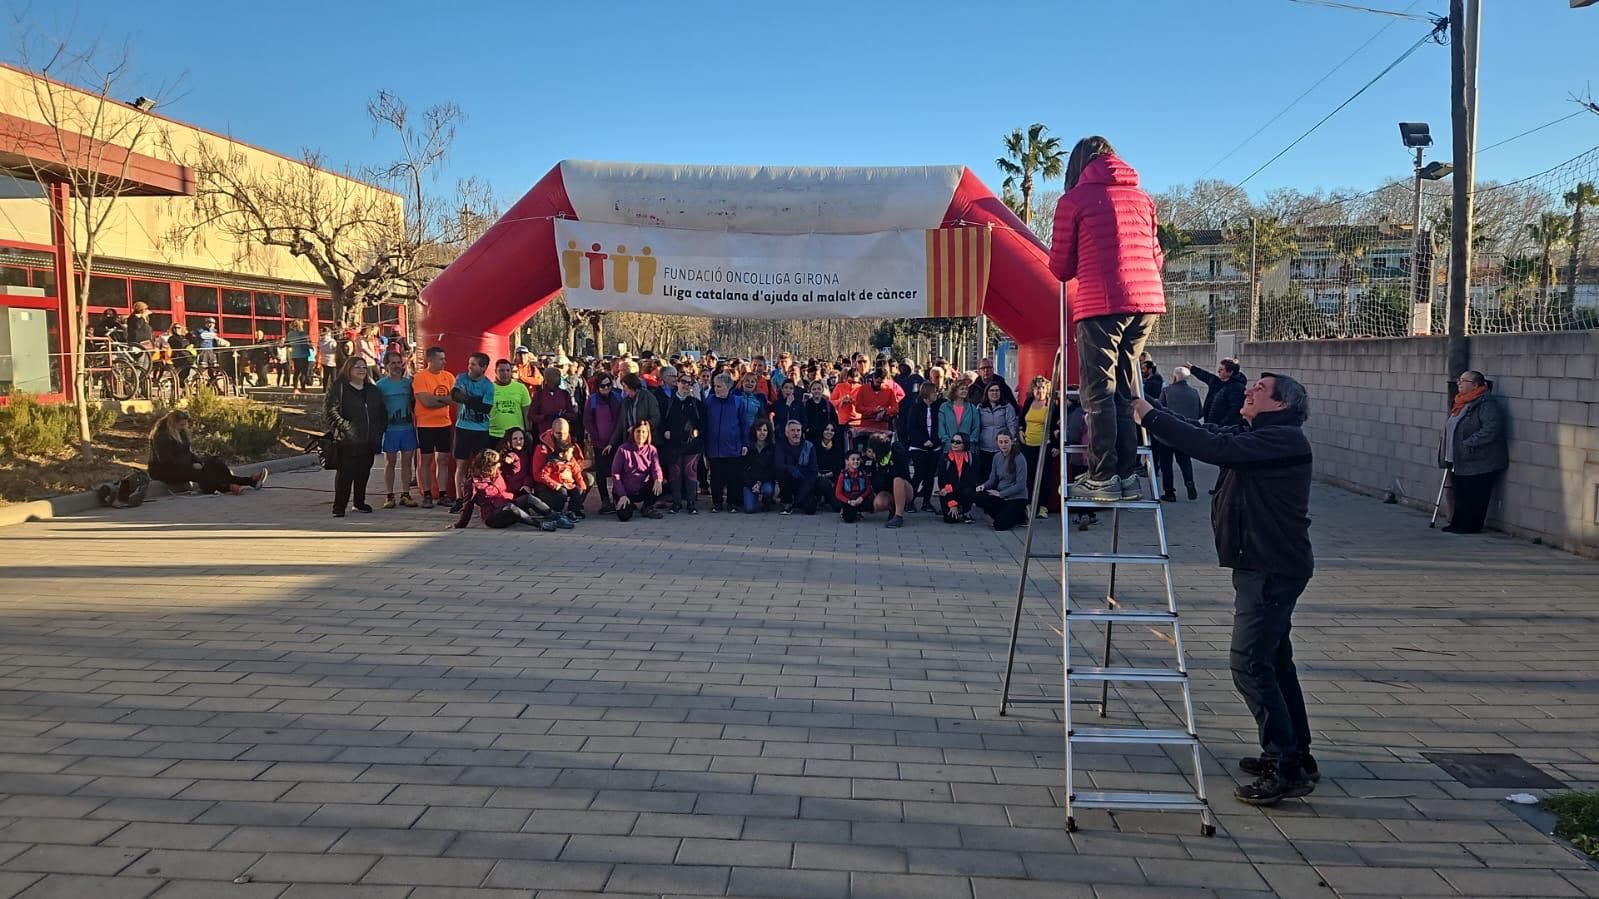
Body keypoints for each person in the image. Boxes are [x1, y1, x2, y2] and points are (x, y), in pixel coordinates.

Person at [1135, 371, 1316, 806]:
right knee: (1274, 661)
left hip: (1272, 568)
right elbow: (1208, 431)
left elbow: (1214, 448)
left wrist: (1150, 418)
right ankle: (1297, 754)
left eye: (1261, 388)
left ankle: (1283, 766)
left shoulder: (1283, 440)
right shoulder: (1258, 432)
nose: (1250, 390)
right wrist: (1156, 411)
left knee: (1250, 663)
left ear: (1281, 405)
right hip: (1260, 564)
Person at [1048, 136, 1167, 504]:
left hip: (1101, 302)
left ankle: (1101, 476)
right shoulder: (1143, 198)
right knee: (1126, 386)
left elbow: (1060, 266)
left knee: (1098, 389)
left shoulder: (1074, 200)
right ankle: (1128, 474)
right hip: (1146, 300)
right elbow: (1156, 256)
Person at [1440, 370, 1507, 534]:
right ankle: (1457, 522)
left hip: (1479, 459)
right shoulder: (1461, 402)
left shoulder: (1486, 403)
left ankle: (1470, 525)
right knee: (1461, 492)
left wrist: (1469, 443)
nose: (1459, 384)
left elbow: (1492, 428)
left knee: (1475, 494)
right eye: (1459, 380)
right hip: (1459, 458)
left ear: (1475, 385)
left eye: (1463, 381)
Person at [148, 409, 266, 495]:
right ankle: (226, 487)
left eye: (185, 424)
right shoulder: (162, 436)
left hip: (181, 464)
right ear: (172, 424)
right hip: (164, 470)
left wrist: (198, 461)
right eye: (181, 425)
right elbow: (166, 459)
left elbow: (186, 452)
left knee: (214, 463)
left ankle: (250, 481)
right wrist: (191, 465)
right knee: (200, 473)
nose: (183, 427)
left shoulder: (181, 433)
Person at [325, 357, 386, 517]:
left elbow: (381, 412)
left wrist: (379, 430)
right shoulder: (340, 387)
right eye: (357, 367)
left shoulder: (372, 390)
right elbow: (331, 411)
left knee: (363, 472)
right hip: (349, 440)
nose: (361, 370)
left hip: (369, 439)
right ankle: (339, 507)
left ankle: (359, 502)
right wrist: (346, 427)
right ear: (349, 369)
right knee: (346, 474)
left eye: (364, 367)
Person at [452, 448, 559, 532]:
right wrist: (460, 524)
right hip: (494, 516)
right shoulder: (472, 483)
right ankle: (540, 525)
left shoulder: (496, 473)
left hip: (508, 503)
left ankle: (556, 517)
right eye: (496, 463)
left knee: (528, 498)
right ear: (487, 466)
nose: (499, 465)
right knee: (510, 507)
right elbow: (467, 506)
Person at [450, 352, 498, 513]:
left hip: (481, 430)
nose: (469, 367)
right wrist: (474, 400)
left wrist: (467, 399)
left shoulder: (488, 386)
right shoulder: (461, 378)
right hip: (462, 428)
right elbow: (455, 395)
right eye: (469, 363)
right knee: (461, 465)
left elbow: (485, 408)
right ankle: (459, 499)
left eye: (474, 364)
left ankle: (482, 497)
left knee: (480, 466)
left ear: (483, 367)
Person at [500, 427, 573, 528]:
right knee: (530, 501)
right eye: (515, 439)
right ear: (509, 441)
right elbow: (509, 459)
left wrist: (526, 485)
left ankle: (556, 516)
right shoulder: (505, 457)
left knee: (531, 500)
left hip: (523, 491)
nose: (518, 441)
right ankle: (552, 518)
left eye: (521, 438)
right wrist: (507, 459)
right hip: (509, 497)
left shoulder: (527, 454)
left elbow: (530, 473)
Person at [412, 347, 454, 509]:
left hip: (444, 423)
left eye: (444, 358)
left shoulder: (448, 376)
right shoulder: (420, 377)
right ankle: (427, 494)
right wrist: (443, 400)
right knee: (426, 460)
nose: (444, 361)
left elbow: (453, 399)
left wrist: (436, 399)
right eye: (440, 359)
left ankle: (442, 494)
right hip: (426, 425)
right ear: (430, 360)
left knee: (443, 459)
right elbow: (426, 403)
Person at [376, 353, 419, 509]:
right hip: (390, 430)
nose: (396, 366)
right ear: (386, 365)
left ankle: (405, 494)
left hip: (408, 428)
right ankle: (389, 495)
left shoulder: (409, 384)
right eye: (392, 363)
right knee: (390, 462)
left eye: (398, 363)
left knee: (407, 461)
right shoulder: (380, 385)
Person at [660, 369, 704, 514]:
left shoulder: (696, 403)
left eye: (689, 383)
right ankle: (677, 502)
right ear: (677, 383)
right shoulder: (669, 402)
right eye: (683, 382)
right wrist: (665, 432)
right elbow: (661, 421)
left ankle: (691, 503)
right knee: (675, 472)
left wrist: (698, 431)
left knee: (690, 471)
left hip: (692, 445)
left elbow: (703, 422)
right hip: (673, 444)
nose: (686, 385)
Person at [1155, 366, 1202, 502]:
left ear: (1175, 377)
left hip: (1167, 434)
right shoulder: (1194, 392)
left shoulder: (1166, 391)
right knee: (1185, 461)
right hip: (1186, 433)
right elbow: (1199, 413)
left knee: (1166, 464)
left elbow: (1160, 409)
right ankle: (1189, 481)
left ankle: (1169, 492)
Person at [531, 417, 590, 520]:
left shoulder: (571, 445)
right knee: (561, 494)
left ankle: (574, 510)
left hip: (568, 481)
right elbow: (538, 474)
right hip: (550, 484)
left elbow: (577, 465)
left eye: (565, 433)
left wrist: (569, 472)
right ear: (552, 432)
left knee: (587, 480)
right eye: (558, 433)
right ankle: (555, 511)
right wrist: (555, 482)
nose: (562, 437)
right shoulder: (542, 448)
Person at [702, 373, 744, 513]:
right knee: (716, 477)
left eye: (719, 386)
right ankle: (717, 503)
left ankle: (731, 503)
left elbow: (744, 425)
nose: (716, 389)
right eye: (715, 386)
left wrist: (745, 444)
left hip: (733, 446)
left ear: (728, 387)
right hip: (714, 446)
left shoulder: (738, 401)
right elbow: (705, 422)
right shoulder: (710, 401)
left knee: (732, 477)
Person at [584, 373, 624, 514]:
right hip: (599, 443)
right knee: (601, 473)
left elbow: (621, 419)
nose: (606, 388)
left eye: (608, 385)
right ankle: (605, 500)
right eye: (603, 386)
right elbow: (587, 421)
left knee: (616, 471)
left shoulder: (618, 398)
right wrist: (596, 435)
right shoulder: (592, 400)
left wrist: (615, 439)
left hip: (616, 441)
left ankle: (617, 496)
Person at [901, 381, 943, 514]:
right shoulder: (916, 408)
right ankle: (910, 501)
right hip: (919, 446)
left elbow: (940, 426)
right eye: (933, 392)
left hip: (934, 446)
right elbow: (911, 428)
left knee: (930, 475)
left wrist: (934, 440)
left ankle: (926, 501)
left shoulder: (938, 408)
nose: (935, 394)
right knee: (919, 473)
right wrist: (923, 440)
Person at [1018, 376, 1058, 518]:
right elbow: (1021, 420)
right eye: (1037, 388)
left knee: (1044, 477)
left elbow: (1057, 427)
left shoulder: (1051, 405)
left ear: (1047, 390)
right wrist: (1021, 430)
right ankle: (1029, 504)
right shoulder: (1029, 402)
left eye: (1042, 388)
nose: (1039, 391)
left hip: (1044, 446)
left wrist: (1056, 445)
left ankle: (1042, 506)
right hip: (1028, 445)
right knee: (1029, 476)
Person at [611, 420, 665, 521]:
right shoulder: (622, 450)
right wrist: (622, 495)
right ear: (633, 433)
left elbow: (656, 468)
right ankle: (625, 504)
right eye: (638, 431)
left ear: (648, 434)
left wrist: (658, 479)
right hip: (625, 491)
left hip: (641, 489)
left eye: (644, 432)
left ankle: (647, 507)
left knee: (661, 483)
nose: (640, 435)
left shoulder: (652, 450)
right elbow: (616, 474)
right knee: (624, 516)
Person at [975, 432, 1029, 531]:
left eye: (1006, 442)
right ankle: (1003, 514)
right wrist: (983, 486)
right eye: (1000, 442)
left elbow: (1021, 485)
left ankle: (1021, 514)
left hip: (1016, 497)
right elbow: (992, 480)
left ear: (1012, 442)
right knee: (978, 495)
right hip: (1001, 496)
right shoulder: (996, 457)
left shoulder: (1019, 458)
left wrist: (1001, 494)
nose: (1003, 445)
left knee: (999, 526)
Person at [861, 432, 911, 529]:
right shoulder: (873, 462)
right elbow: (877, 485)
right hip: (888, 491)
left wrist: (886, 468)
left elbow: (902, 473)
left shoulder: (896, 452)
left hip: (905, 489)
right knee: (878, 503)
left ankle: (898, 516)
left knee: (897, 479)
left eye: (872, 451)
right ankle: (893, 508)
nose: (871, 453)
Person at [976, 382, 1019, 487]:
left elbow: (1012, 427)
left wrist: (1009, 444)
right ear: (987, 393)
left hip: (1001, 449)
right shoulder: (980, 407)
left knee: (1000, 476)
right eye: (991, 390)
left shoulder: (1007, 407)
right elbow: (977, 426)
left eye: (997, 390)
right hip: (984, 448)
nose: (994, 393)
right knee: (985, 476)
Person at [774, 419, 819, 515]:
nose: (796, 433)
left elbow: (813, 471)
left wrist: (803, 493)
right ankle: (787, 502)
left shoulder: (809, 446)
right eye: (793, 430)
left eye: (798, 430)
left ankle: (800, 500)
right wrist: (791, 468)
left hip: (804, 481)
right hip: (788, 481)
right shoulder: (780, 446)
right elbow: (777, 464)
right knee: (781, 472)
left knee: (810, 509)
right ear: (787, 433)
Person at [1190, 358, 1249, 428]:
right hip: (1211, 425)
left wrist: (1221, 426)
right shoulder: (1217, 382)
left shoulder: (1238, 388)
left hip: (1224, 429)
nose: (1218, 371)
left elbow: (1234, 411)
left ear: (1230, 372)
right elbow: (1205, 375)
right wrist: (1192, 368)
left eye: (1221, 369)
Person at [936, 433, 979, 523]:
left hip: (962, 491)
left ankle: (966, 512)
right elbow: (941, 482)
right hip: (948, 494)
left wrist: (951, 488)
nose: (954, 444)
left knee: (968, 490)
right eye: (952, 441)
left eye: (958, 442)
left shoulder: (973, 459)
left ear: (965, 444)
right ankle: (955, 508)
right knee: (950, 520)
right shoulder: (944, 459)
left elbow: (971, 481)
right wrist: (952, 503)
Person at [613, 372, 663, 449]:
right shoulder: (626, 401)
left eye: (624, 386)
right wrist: (612, 443)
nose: (624, 389)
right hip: (631, 441)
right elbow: (621, 423)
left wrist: (637, 428)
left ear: (631, 386)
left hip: (648, 441)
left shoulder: (648, 397)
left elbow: (656, 418)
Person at [488, 358, 533, 440]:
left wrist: (528, 431)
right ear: (495, 371)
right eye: (501, 370)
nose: (505, 373)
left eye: (508, 370)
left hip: (516, 435)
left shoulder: (520, 388)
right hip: (494, 434)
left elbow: (526, 411)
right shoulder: (488, 388)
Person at [741, 420, 778, 513]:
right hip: (750, 482)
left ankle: (767, 502)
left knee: (767, 490)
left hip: (765, 481)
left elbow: (773, 470)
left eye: (765, 430)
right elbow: (743, 469)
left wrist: (760, 483)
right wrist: (752, 484)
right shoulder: (748, 447)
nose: (762, 433)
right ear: (754, 431)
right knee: (750, 509)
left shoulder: (772, 448)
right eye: (759, 430)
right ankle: (753, 498)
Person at [530, 365, 576, 437]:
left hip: (562, 433)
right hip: (545, 434)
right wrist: (545, 417)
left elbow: (572, 414)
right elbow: (531, 416)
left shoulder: (565, 394)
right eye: (557, 376)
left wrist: (563, 415)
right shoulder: (539, 395)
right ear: (549, 378)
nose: (560, 379)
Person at [938, 382, 981, 458]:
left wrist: (967, 443)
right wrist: (949, 443)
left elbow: (976, 427)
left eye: (966, 389)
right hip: (949, 449)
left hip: (967, 450)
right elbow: (941, 426)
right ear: (954, 391)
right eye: (962, 389)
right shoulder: (944, 407)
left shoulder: (972, 408)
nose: (965, 391)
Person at [853, 369, 900, 436]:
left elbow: (896, 409)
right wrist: (874, 410)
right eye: (878, 382)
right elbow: (858, 408)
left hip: (882, 429)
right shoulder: (863, 389)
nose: (880, 385)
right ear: (873, 378)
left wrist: (884, 411)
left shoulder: (889, 391)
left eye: (882, 383)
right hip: (866, 428)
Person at [813, 421, 846, 513]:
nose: (829, 432)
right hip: (817, 475)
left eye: (832, 430)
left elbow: (839, 466)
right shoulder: (815, 446)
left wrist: (830, 474)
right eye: (827, 429)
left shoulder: (837, 447)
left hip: (832, 476)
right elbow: (812, 464)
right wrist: (818, 474)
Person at [835, 449, 874, 523]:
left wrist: (861, 498)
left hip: (860, 498)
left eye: (858, 459)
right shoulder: (843, 475)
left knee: (871, 505)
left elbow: (868, 488)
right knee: (848, 519)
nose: (856, 461)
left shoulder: (863, 473)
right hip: (849, 499)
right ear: (847, 461)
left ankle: (858, 511)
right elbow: (838, 493)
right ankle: (846, 511)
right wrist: (849, 501)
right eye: (853, 459)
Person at [733, 372, 769, 440]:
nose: (750, 383)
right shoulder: (734, 396)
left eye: (752, 381)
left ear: (756, 384)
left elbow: (762, 418)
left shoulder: (760, 398)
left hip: (753, 434)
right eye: (747, 381)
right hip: (737, 433)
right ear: (742, 382)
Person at [802, 379, 838, 445]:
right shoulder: (806, 404)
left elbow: (834, 420)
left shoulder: (828, 405)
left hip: (825, 437)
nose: (816, 391)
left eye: (819, 389)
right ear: (810, 390)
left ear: (822, 390)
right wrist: (806, 429)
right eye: (814, 389)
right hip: (810, 436)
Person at [284, 320, 312, 392]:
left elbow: (288, 344)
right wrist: (310, 346)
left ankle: (295, 388)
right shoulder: (302, 333)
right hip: (303, 355)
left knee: (296, 372)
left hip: (295, 355)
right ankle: (303, 387)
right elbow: (305, 344)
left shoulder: (290, 334)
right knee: (304, 372)